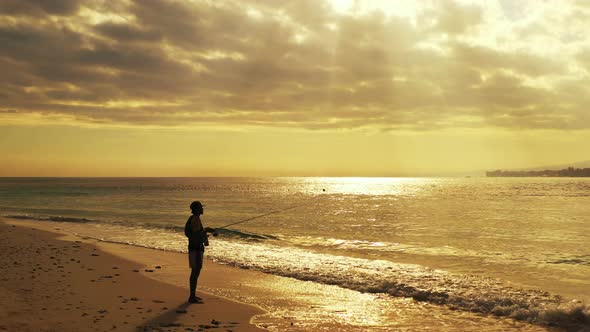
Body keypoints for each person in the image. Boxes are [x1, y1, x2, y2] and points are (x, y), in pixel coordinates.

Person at [184, 201, 209, 303]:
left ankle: (193, 295)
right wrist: (207, 230)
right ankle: (192, 297)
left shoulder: (194, 219)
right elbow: (197, 234)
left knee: (195, 271)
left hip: (194, 247)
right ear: (197, 209)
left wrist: (206, 232)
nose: (203, 209)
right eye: (201, 208)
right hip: (196, 248)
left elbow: (196, 234)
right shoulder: (195, 219)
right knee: (195, 272)